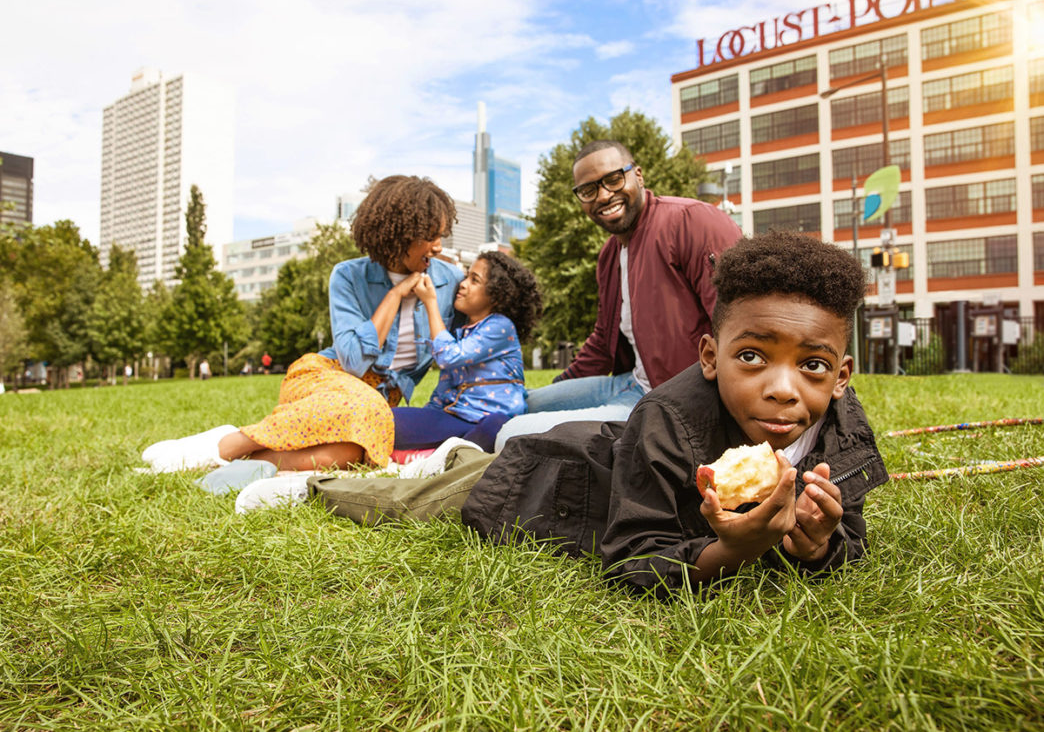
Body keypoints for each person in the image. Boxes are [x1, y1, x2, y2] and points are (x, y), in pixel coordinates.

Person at [301, 231, 888, 595]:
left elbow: (847, 536)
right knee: (419, 499)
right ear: (710, 356)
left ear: (841, 377)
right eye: (754, 356)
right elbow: (633, 557)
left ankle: (454, 456)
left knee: (451, 467)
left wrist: (817, 545)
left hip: (612, 448)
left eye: (812, 365)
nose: (784, 389)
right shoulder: (669, 416)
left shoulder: (839, 434)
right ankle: (306, 484)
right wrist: (734, 550)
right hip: (550, 480)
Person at [142, 175, 461, 473]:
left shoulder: (450, 281)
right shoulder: (348, 275)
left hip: (374, 402)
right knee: (368, 406)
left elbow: (467, 349)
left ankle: (238, 463)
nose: (438, 247)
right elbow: (352, 361)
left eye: (440, 236)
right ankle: (224, 446)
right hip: (326, 375)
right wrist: (394, 297)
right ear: (398, 234)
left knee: (351, 453)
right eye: (428, 237)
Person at [494, 140, 742, 451]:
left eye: (613, 179)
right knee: (521, 402)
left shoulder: (691, 221)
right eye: (588, 190)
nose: (603, 195)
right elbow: (603, 339)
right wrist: (565, 387)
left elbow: (739, 322)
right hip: (630, 383)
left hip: (672, 402)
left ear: (638, 175)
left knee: (512, 434)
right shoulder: (610, 254)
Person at [391, 251, 542, 454]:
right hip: (457, 419)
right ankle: (445, 454)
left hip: (487, 422)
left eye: (474, 280)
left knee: (496, 425)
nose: (463, 284)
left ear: (496, 295)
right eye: (466, 276)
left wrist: (430, 302)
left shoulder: (500, 326)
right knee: (388, 420)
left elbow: (448, 356)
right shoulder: (464, 333)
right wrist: (421, 420)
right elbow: (444, 391)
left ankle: (445, 455)